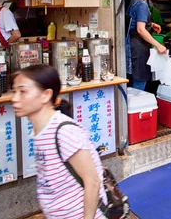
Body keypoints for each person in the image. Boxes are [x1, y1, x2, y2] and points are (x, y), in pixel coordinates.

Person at [11, 65, 107, 219]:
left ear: (46, 95)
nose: (14, 98)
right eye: (14, 91)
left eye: (23, 91)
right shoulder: (40, 131)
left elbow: (93, 181)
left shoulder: (64, 132)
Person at [126, 0, 166, 91]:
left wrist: (151, 24)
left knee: (133, 84)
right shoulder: (142, 5)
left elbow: (134, 22)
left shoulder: (134, 1)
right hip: (138, 48)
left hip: (132, 46)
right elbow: (140, 29)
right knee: (139, 85)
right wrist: (158, 45)